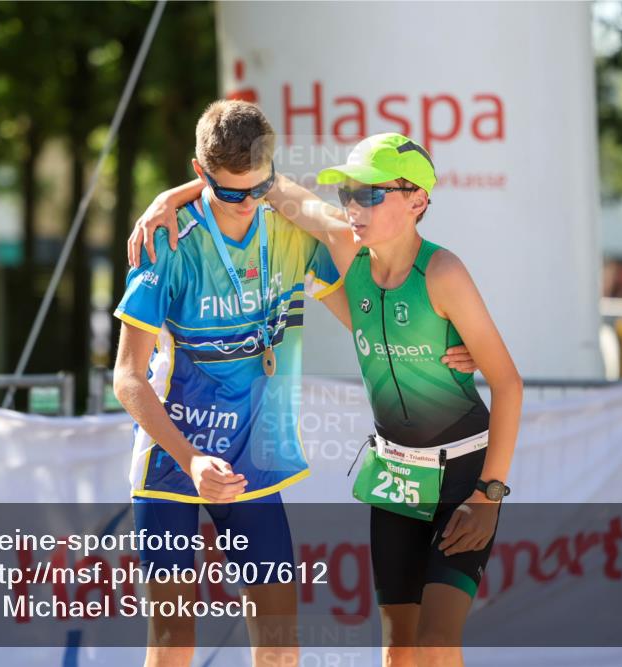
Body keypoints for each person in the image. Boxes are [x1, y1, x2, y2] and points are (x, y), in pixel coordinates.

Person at [130, 132, 522, 666]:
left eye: (370, 194)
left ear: (417, 200)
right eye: (348, 194)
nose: (353, 206)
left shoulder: (438, 270)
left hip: (460, 472)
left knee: (433, 646)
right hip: (394, 472)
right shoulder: (347, 253)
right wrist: (169, 198)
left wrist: (488, 494)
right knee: (398, 653)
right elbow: (254, 182)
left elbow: (509, 383)